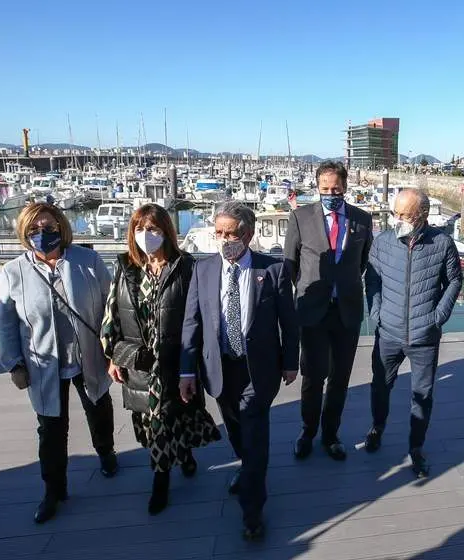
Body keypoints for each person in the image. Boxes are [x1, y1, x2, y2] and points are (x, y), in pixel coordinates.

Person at [180, 201, 299, 541]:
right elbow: (192, 322)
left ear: (248, 233)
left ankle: (252, 512)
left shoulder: (272, 270)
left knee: (256, 436)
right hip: (218, 369)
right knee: (235, 430)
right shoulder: (202, 270)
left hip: (258, 370)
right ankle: (248, 468)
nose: (223, 239)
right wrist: (187, 372)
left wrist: (291, 360)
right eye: (218, 232)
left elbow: (289, 322)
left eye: (230, 233)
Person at [0, 202, 117, 524]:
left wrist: (113, 347)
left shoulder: (87, 261)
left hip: (88, 354)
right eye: (34, 230)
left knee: (99, 405)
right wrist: (14, 364)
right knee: (51, 427)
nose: (41, 234)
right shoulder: (12, 272)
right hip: (43, 361)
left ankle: (106, 452)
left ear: (61, 227)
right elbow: (7, 322)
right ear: (24, 233)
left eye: (48, 228)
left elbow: (110, 306)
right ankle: (54, 488)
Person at [100, 204, 221, 515]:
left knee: (170, 416)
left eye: (153, 229)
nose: (146, 235)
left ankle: (162, 478)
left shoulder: (186, 266)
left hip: (174, 358)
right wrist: (112, 355)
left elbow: (198, 316)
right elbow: (112, 312)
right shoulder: (126, 266)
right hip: (139, 360)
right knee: (151, 422)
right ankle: (177, 458)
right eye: (140, 229)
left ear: (166, 231)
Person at [363, 188, 462, 477]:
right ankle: (377, 427)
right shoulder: (382, 242)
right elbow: (373, 280)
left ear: (422, 215)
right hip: (389, 332)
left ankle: (416, 447)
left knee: (422, 394)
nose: (398, 219)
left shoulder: (442, 243)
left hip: (424, 337)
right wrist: (376, 313)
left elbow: (454, 281)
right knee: (380, 385)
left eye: (404, 214)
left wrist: (438, 316)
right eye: (395, 213)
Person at [284, 161, 373, 461]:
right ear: (317, 187)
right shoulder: (300, 217)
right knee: (312, 375)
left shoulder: (363, 219)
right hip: (312, 311)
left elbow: (361, 263)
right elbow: (291, 266)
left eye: (336, 188)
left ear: (345, 187)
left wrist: (342, 286)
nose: (331, 193)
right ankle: (307, 431)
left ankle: (331, 434)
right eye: (324, 189)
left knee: (340, 378)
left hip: (346, 311)